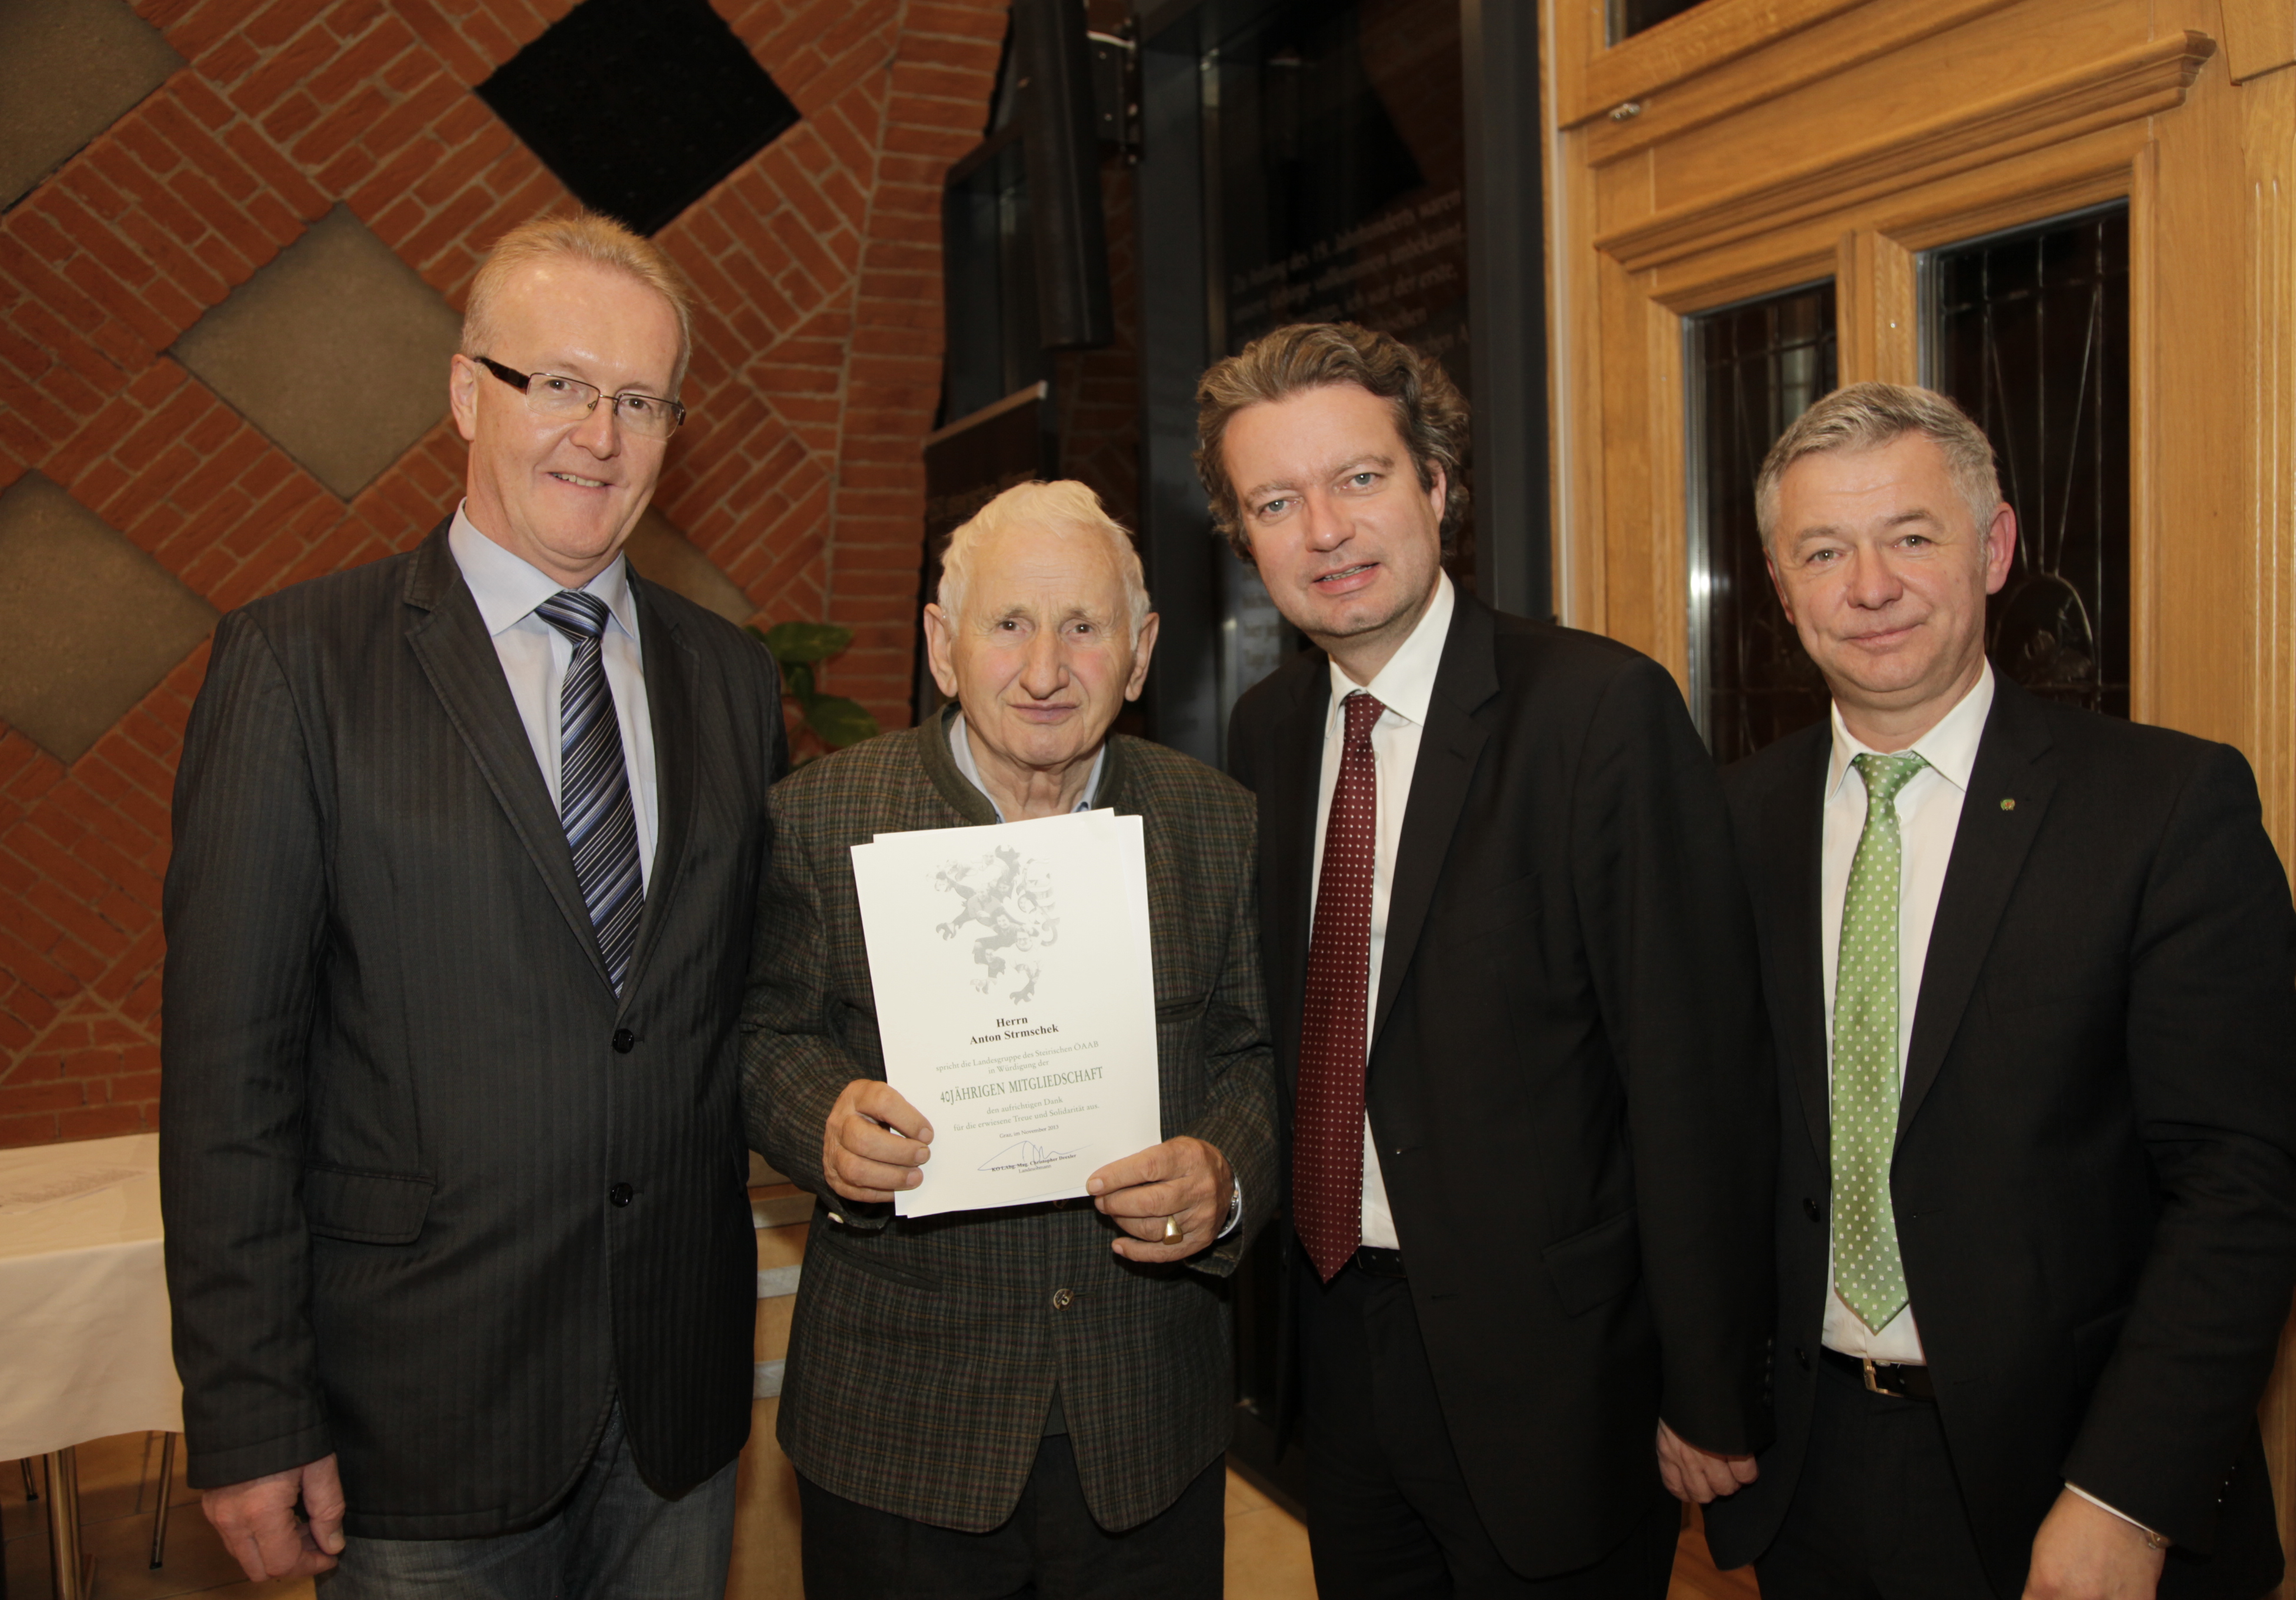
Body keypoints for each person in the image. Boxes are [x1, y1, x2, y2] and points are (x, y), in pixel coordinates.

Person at [161, 212, 787, 1596]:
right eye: (559, 383)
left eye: (641, 401)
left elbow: (747, 1009)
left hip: (674, 1411)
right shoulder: (298, 669)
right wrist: (251, 1411)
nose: (599, 436)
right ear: (465, 391)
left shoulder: (734, 682)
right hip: (418, 1409)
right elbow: (228, 1076)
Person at [1700, 382, 2296, 1600]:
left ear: (1995, 550)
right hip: (1808, 1474)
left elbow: (2244, 1187)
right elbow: (1697, 1138)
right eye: (1822, 552)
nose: (1869, 586)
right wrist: (1700, 1386)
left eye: (1911, 536)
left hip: (2075, 1483)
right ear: (1779, 585)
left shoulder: (2162, 810)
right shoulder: (1729, 821)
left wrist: (2127, 1498)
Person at [1207, 322, 1778, 1597]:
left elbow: (1693, 1079)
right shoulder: (1268, 729)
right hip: (1334, 1344)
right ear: (1245, 538)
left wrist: (1709, 1386)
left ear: (1437, 485)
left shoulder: (1596, 712)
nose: (1325, 531)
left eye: (1359, 478)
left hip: (1555, 1377)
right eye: (1276, 502)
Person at [741, 479, 1279, 1598]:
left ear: (1140, 654)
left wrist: (1225, 1170)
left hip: (1146, 1425)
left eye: (1084, 628)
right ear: (943, 647)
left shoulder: (1216, 823)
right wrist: (824, 1120)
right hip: (899, 1433)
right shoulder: (820, 817)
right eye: (1009, 625)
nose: (1045, 671)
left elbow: (1260, 1055)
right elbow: (764, 1034)